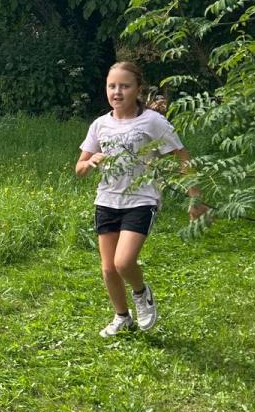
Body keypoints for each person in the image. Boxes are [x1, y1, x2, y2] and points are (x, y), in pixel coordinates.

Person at [76, 60, 208, 337]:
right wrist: (90, 162)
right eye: (112, 86)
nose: (117, 92)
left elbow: (182, 156)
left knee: (124, 262)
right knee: (109, 269)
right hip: (106, 201)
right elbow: (80, 168)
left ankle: (141, 293)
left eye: (124, 86)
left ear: (138, 89)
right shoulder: (100, 124)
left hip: (141, 199)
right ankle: (122, 317)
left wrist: (195, 195)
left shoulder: (153, 121)